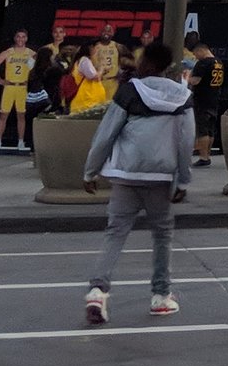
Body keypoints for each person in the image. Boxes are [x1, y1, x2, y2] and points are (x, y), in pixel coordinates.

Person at [79, 40, 195, 323]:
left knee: (116, 232)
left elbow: (106, 134)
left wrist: (90, 171)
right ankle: (160, 296)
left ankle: (97, 290)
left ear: (144, 61)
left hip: (126, 174)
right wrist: (182, 180)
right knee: (162, 235)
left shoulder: (130, 90)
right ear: (168, 66)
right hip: (160, 177)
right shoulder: (182, 95)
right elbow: (186, 141)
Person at [0, 31, 37, 150]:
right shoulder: (8, 52)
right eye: (18, 36)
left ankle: (21, 142)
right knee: (3, 114)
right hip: (10, 86)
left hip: (22, 86)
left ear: (26, 38)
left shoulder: (31, 53)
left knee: (21, 115)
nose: (20, 39)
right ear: (14, 38)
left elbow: (35, 67)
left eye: (23, 37)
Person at [180, 31, 223, 168]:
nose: (195, 56)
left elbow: (195, 81)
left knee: (203, 129)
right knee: (210, 129)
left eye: (196, 53)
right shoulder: (218, 62)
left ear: (201, 50)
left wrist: (186, 77)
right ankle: (208, 154)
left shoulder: (203, 63)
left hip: (202, 99)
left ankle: (203, 156)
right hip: (214, 97)